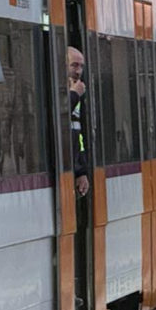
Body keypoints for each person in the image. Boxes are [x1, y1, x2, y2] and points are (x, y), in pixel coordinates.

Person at [67, 46, 89, 197]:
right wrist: (74, 95)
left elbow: (78, 134)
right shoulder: (71, 93)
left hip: (72, 169)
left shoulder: (77, 91)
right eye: (74, 65)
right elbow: (59, 116)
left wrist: (81, 171)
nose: (78, 71)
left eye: (81, 66)